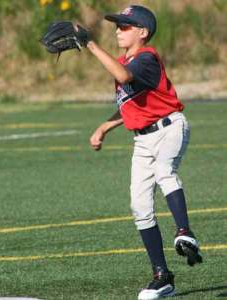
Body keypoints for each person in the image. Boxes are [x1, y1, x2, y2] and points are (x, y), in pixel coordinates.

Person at [86, 5, 202, 300]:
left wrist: (89, 44)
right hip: (143, 140)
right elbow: (130, 104)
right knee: (140, 206)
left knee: (165, 171)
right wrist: (104, 127)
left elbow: (124, 77)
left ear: (143, 32)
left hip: (169, 129)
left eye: (125, 26)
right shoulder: (127, 61)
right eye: (118, 25)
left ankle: (184, 231)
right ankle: (162, 277)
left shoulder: (146, 58)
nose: (118, 30)